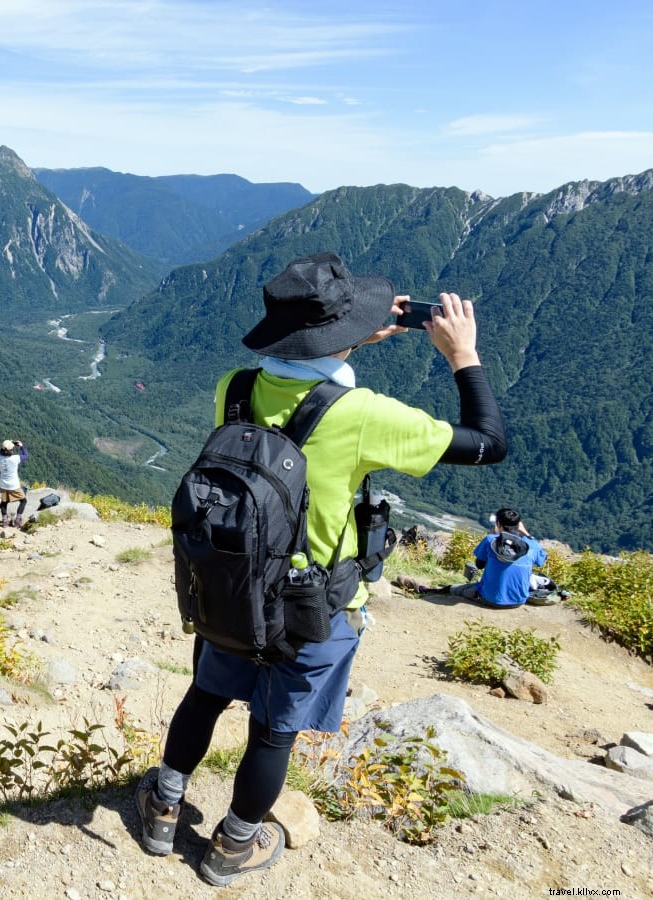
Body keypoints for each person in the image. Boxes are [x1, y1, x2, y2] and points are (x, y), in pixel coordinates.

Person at [136, 252, 507, 886]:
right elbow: (488, 442)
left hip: (233, 588)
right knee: (274, 731)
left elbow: (296, 386)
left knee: (205, 695)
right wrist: (461, 356)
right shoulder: (365, 416)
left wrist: (351, 333)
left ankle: (164, 807)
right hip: (313, 608)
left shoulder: (235, 386)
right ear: (334, 336)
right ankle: (233, 845)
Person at [447, 508, 561, 607]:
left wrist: (494, 535)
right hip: (519, 601)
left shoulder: (491, 540)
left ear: (499, 524)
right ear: (518, 525)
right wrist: (526, 533)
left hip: (490, 599)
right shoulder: (532, 545)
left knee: (456, 589)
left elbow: (479, 565)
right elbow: (541, 561)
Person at [0, 439, 28, 527]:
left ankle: (4, 521)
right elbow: (26, 455)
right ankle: (18, 520)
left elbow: (0, 452)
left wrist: (8, 443)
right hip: (14, 486)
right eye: (12, 448)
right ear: (11, 450)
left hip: (3, 485)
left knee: (4, 502)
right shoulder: (15, 458)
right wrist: (21, 446)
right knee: (23, 501)